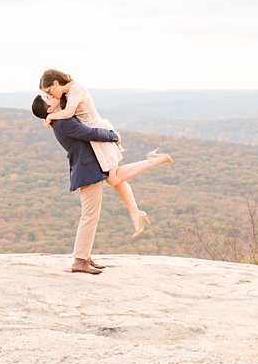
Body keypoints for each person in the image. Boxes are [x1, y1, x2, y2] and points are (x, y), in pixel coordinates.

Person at [31, 95, 173, 274]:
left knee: (106, 193)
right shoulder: (63, 123)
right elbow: (90, 133)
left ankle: (85, 257)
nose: (53, 97)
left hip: (89, 166)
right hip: (87, 170)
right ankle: (80, 260)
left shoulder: (59, 120)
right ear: (49, 109)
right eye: (48, 98)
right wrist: (113, 136)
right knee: (89, 216)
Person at [39, 69, 173, 238]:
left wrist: (50, 117)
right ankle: (136, 213)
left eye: (49, 91)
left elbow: (69, 113)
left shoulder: (76, 88)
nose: (51, 95)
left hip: (99, 134)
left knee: (114, 178)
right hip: (95, 137)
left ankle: (153, 162)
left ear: (56, 83)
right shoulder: (67, 93)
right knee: (116, 178)